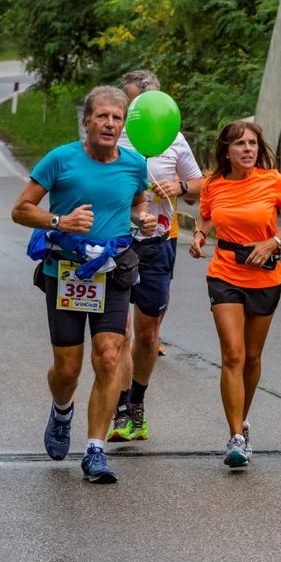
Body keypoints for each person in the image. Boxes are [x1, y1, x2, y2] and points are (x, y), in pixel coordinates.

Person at [11, 86, 157, 483]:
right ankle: (61, 411)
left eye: (117, 118)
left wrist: (143, 218)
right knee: (67, 367)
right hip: (67, 271)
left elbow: (138, 202)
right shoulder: (61, 159)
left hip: (112, 270)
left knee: (109, 356)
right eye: (103, 116)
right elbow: (20, 209)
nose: (110, 124)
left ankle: (95, 450)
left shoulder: (133, 165)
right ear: (87, 122)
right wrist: (59, 222)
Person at [189, 121, 281, 467]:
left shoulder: (273, 181)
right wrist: (198, 235)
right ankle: (236, 437)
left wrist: (274, 241)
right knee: (233, 354)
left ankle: (243, 418)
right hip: (224, 273)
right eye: (240, 144)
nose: (248, 149)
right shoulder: (212, 184)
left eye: (252, 143)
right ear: (227, 150)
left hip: (265, 277)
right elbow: (206, 216)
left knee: (252, 358)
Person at [107, 70, 203, 443]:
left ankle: (137, 404)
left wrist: (179, 185)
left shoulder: (173, 138)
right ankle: (118, 408)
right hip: (115, 244)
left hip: (158, 246)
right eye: (131, 102)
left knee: (146, 336)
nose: (136, 109)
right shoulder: (114, 136)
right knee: (118, 333)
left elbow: (197, 185)